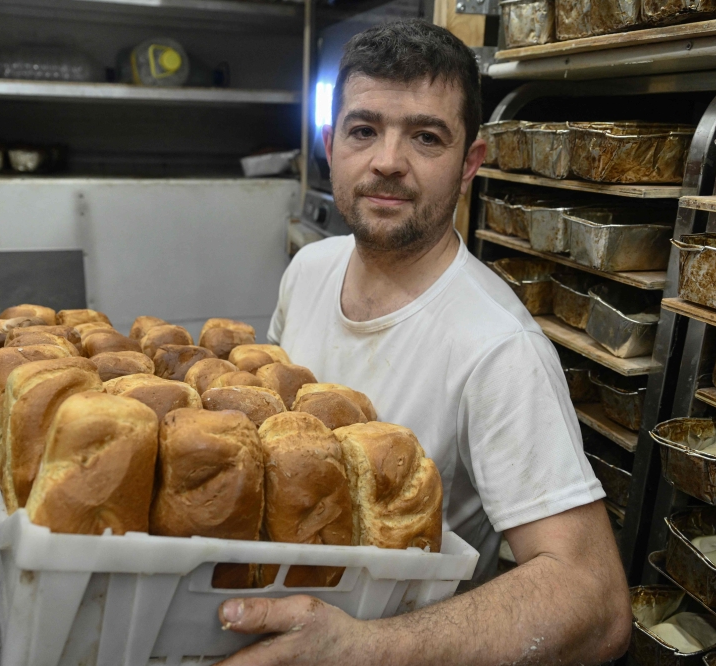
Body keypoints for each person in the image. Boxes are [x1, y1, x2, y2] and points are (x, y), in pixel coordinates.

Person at [215, 19, 631, 665]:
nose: (387, 160)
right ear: (331, 145)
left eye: (426, 137)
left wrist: (364, 649)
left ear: (470, 165)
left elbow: (596, 603)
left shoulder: (498, 348)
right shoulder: (310, 270)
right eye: (363, 130)